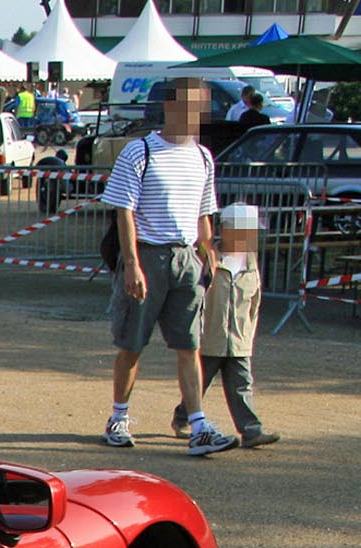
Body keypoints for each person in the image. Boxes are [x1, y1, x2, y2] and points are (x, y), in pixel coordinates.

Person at [100, 79, 234, 457]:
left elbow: (205, 214)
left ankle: (198, 426)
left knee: (189, 346)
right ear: (172, 106)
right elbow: (123, 211)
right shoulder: (139, 151)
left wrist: (209, 254)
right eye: (192, 105)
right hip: (148, 255)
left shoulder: (204, 157)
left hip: (186, 259)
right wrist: (132, 265)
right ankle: (119, 417)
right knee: (132, 344)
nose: (199, 114)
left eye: (202, 106)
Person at [171, 203, 280, 449]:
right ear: (225, 230)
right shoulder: (207, 259)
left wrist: (249, 334)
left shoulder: (251, 263)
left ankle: (251, 432)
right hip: (209, 337)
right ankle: (181, 418)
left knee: (242, 385)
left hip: (239, 340)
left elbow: (255, 301)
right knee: (200, 381)